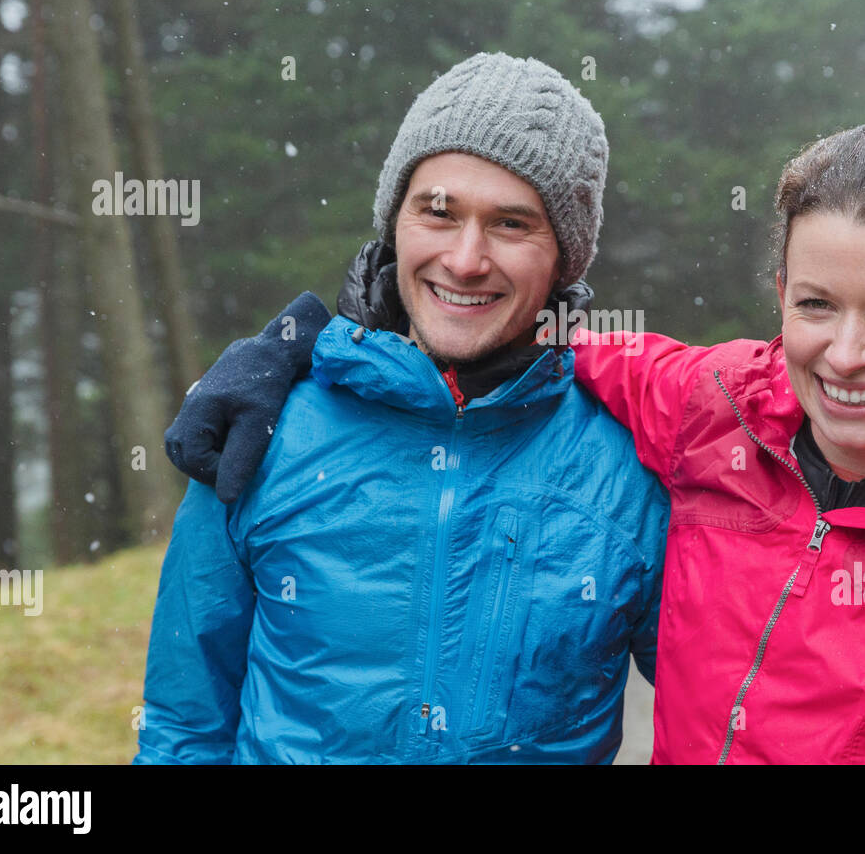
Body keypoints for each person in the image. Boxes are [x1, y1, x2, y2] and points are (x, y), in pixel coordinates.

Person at [167, 119, 865, 763]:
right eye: (814, 304)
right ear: (778, 302)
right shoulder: (708, 413)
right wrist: (290, 344)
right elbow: (529, 330)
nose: (847, 352)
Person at [134, 52, 670, 764]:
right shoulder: (261, 432)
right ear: (395, 223)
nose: (466, 259)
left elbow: (732, 723)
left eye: (512, 225)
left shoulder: (631, 468)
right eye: (438, 212)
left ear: (565, 259)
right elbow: (184, 729)